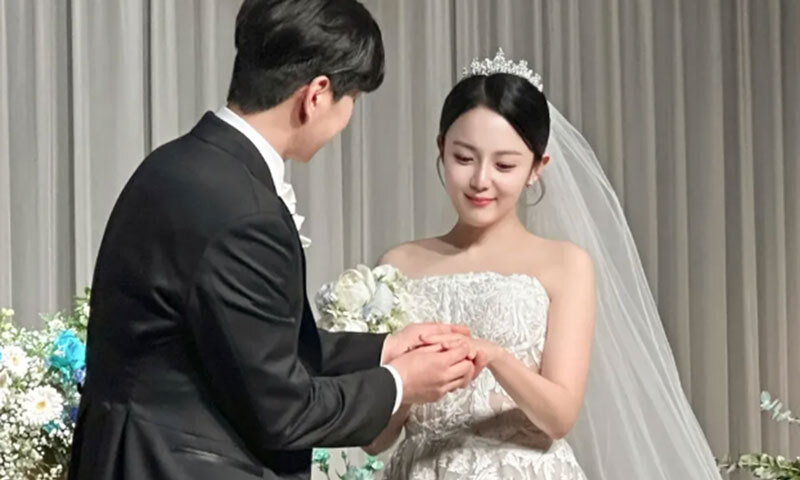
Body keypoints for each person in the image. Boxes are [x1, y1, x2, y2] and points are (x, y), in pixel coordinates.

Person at [68, 2, 476, 479]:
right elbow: (283, 411)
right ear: (316, 95)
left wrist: (385, 348)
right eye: (352, 99)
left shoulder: (176, 164)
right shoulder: (246, 210)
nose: (348, 119)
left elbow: (248, 342)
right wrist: (401, 383)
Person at [368, 49, 723, 480]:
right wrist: (410, 383)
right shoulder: (398, 265)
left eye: (504, 164)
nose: (480, 180)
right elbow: (375, 441)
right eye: (463, 158)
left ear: (537, 167)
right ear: (441, 149)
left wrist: (495, 357)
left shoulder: (565, 265)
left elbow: (559, 417)